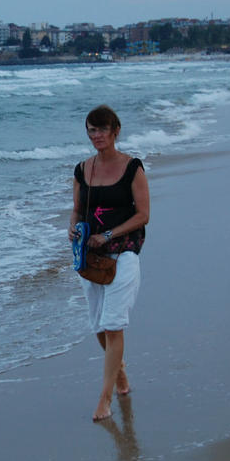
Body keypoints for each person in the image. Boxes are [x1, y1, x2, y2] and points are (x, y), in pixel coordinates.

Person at [68, 105, 150, 422]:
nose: (96, 136)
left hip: (124, 252)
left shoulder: (132, 168)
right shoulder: (82, 169)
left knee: (113, 323)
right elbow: (76, 210)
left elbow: (143, 215)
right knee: (98, 326)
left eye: (102, 129)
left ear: (115, 130)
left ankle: (105, 399)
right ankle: (121, 372)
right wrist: (73, 227)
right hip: (90, 256)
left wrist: (109, 234)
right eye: (91, 130)